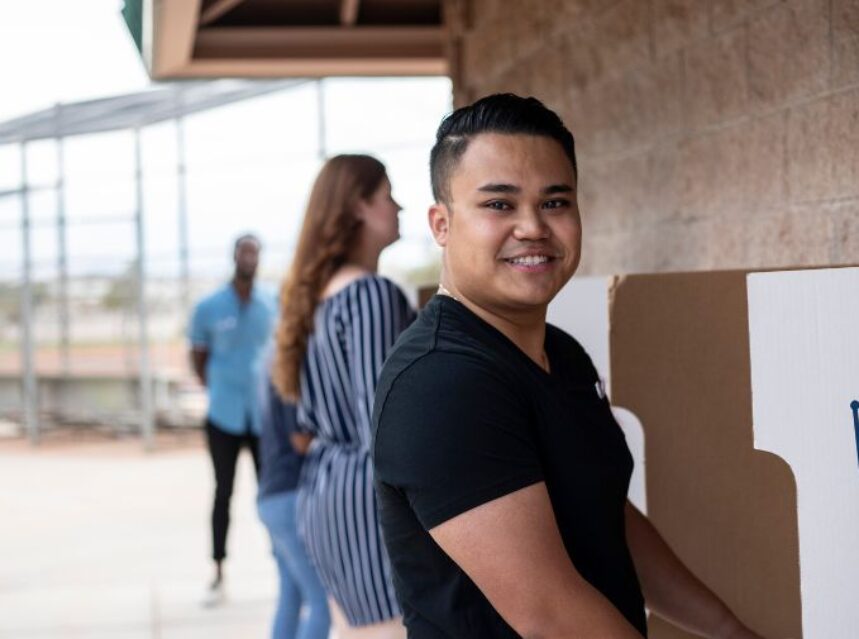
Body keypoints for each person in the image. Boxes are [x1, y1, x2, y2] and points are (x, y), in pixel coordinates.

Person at [372, 94, 768, 638]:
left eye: (555, 202)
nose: (533, 227)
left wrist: (727, 631)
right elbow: (549, 616)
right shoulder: (442, 383)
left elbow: (603, 515)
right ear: (442, 224)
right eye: (499, 205)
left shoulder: (561, 353)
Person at [272, 155, 415, 637]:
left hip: (327, 491)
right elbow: (383, 426)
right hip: (368, 501)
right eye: (388, 194)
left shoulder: (317, 298)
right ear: (359, 206)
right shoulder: (370, 295)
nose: (399, 206)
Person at [189, 233, 276, 607]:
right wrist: (215, 386)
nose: (249, 258)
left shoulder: (270, 303)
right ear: (235, 256)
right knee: (223, 493)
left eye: (255, 252)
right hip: (224, 415)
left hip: (261, 417)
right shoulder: (209, 307)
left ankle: (284, 570)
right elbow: (198, 355)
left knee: (272, 494)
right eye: (244, 252)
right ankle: (218, 571)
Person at [256, 351, 330, 639]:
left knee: (292, 595)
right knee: (321, 602)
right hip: (290, 497)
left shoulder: (270, 363)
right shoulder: (289, 366)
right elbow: (300, 440)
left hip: (272, 496)